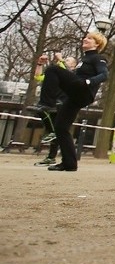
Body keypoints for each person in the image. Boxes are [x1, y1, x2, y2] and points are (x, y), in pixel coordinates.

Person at [27, 32, 109, 172]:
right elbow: (67, 75)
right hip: (74, 95)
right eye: (85, 37)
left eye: (89, 38)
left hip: (83, 90)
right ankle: (69, 163)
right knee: (60, 127)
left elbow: (104, 75)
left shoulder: (98, 58)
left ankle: (47, 104)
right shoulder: (83, 60)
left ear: (97, 44)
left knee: (53, 69)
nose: (85, 39)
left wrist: (88, 82)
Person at [32, 54, 77, 167]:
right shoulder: (54, 75)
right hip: (51, 103)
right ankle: (51, 157)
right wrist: (40, 64)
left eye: (68, 60)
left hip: (62, 105)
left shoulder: (72, 75)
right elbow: (38, 76)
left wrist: (61, 60)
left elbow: (67, 72)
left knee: (57, 130)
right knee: (54, 130)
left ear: (73, 65)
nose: (63, 61)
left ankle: (54, 155)